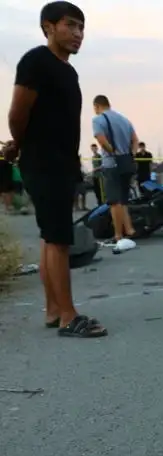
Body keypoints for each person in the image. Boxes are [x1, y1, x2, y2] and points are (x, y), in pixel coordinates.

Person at [4, 1, 106, 337]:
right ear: (48, 26)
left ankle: (53, 310)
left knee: (52, 238)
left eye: (81, 28)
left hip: (60, 163)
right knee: (59, 240)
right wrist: (19, 144)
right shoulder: (37, 61)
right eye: (70, 25)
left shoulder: (67, 70)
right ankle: (68, 316)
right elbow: (18, 113)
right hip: (45, 162)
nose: (78, 34)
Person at [91, 94, 139, 244]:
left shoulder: (98, 120)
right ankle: (130, 229)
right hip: (127, 162)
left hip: (112, 164)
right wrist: (131, 154)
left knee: (114, 201)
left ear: (97, 106)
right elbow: (135, 140)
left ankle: (118, 235)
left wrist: (112, 151)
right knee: (124, 199)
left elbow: (102, 141)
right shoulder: (124, 120)